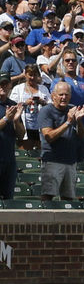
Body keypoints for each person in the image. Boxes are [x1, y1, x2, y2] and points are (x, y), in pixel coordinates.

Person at [38, 82, 84, 200]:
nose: (64, 97)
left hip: (70, 160)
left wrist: (78, 121)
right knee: (48, 195)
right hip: (52, 160)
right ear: (53, 95)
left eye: (67, 95)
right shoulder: (46, 111)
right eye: (61, 94)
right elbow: (49, 136)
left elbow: (81, 136)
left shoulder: (73, 109)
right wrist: (68, 122)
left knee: (68, 197)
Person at [0, 72, 20, 200]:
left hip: (9, 158)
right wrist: (7, 118)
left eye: (5, 84)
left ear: (10, 85)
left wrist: (16, 120)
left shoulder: (13, 104)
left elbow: (21, 134)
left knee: (8, 197)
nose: (2, 86)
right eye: (0, 84)